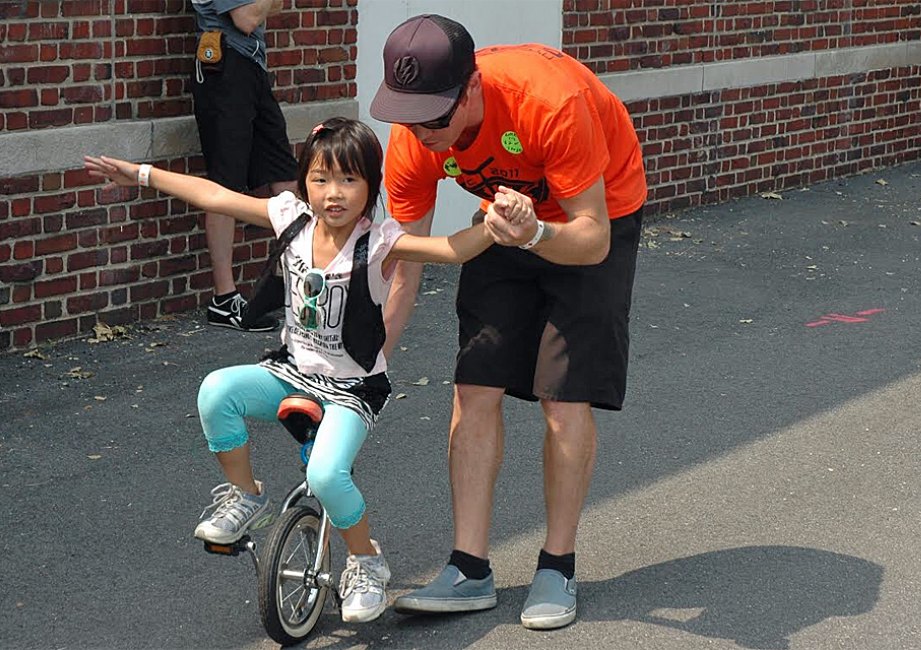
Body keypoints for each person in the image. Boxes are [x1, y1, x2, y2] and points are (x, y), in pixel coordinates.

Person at [84, 117, 530, 623]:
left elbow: (449, 249)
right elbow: (213, 196)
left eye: (348, 181)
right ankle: (246, 496)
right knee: (216, 392)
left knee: (325, 475)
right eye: (320, 180)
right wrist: (142, 174)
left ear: (370, 187)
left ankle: (365, 561)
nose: (332, 194)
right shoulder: (290, 217)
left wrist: (494, 225)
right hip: (290, 372)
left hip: (351, 389)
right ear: (303, 184)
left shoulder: (379, 241)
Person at [369, 14, 647, 630]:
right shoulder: (415, 137)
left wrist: (536, 233)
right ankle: (469, 569)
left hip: (588, 219)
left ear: (471, 90)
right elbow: (404, 262)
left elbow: (593, 238)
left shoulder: (550, 102)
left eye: (435, 118)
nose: (423, 133)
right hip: (502, 216)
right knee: (475, 385)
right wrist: (372, 359)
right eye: (408, 116)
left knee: (563, 398)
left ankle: (557, 566)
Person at [190, 0, 297, 331]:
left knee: (286, 176)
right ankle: (224, 300)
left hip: (252, 65)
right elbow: (246, 17)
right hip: (224, 67)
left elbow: (272, 8)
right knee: (225, 185)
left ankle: (295, 284)